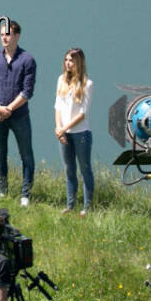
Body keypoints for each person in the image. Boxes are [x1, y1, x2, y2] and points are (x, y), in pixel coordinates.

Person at [0, 21, 36, 206]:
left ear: (17, 36)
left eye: (8, 34)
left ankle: (25, 195)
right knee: (0, 153)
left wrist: (8, 109)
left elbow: (27, 92)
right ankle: (2, 192)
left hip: (19, 116)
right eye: (2, 34)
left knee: (26, 155)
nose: (4, 37)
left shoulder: (27, 60)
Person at [54, 47, 95, 215]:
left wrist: (64, 128)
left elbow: (83, 113)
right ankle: (70, 205)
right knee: (69, 169)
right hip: (64, 133)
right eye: (66, 60)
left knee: (85, 169)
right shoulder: (61, 80)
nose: (68, 63)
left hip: (81, 133)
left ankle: (87, 206)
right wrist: (58, 128)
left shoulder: (87, 84)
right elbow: (57, 106)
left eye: (71, 60)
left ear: (79, 62)